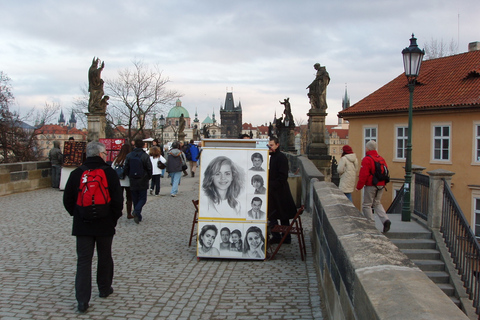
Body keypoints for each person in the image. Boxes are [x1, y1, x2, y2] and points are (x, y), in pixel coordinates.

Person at [63, 141, 123, 313]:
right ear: (100, 154)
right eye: (104, 154)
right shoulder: (109, 173)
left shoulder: (77, 173)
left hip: (83, 224)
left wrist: (78, 214)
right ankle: (104, 288)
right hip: (105, 223)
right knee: (105, 256)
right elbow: (118, 201)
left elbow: (67, 200)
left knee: (83, 261)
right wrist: (113, 219)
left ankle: (82, 300)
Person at [356, 140, 391, 233]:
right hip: (381, 184)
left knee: (367, 204)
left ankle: (370, 225)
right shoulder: (381, 158)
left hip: (371, 184)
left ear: (367, 148)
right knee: (377, 203)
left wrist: (358, 187)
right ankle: (385, 220)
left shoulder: (367, 159)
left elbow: (363, 175)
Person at [267, 137, 297, 244]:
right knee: (273, 215)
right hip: (274, 191)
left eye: (271, 145)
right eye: (269, 145)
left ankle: (284, 237)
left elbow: (283, 176)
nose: (269, 147)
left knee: (283, 216)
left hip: (280, 192)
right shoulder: (273, 156)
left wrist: (270, 184)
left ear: (277, 145)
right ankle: (278, 237)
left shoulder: (281, 157)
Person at [124, 139, 152, 224]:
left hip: (133, 179)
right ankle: (136, 211)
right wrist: (148, 177)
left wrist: (130, 175)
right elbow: (149, 168)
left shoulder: (129, 155)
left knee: (135, 198)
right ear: (143, 145)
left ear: (134, 145)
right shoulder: (145, 156)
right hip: (143, 179)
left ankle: (138, 215)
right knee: (143, 198)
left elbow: (126, 168)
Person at [112, 144, 133, 219]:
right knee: (129, 198)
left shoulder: (117, 159)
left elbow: (113, 168)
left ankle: (119, 211)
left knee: (119, 197)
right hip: (128, 181)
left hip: (119, 181)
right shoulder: (130, 158)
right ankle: (129, 213)